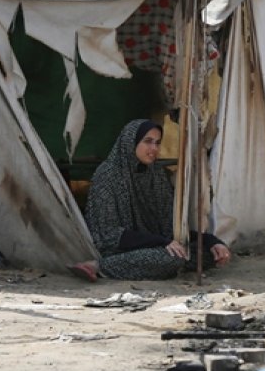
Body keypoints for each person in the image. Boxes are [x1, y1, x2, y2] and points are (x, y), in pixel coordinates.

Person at [69, 119, 231, 281]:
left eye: (157, 143)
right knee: (173, 258)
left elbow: (170, 228)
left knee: (209, 254)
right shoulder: (108, 175)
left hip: (155, 246)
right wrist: (161, 242)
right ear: (130, 142)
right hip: (120, 249)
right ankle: (98, 266)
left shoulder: (155, 174)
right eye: (147, 142)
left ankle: (162, 265)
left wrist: (212, 241)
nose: (154, 148)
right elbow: (108, 235)